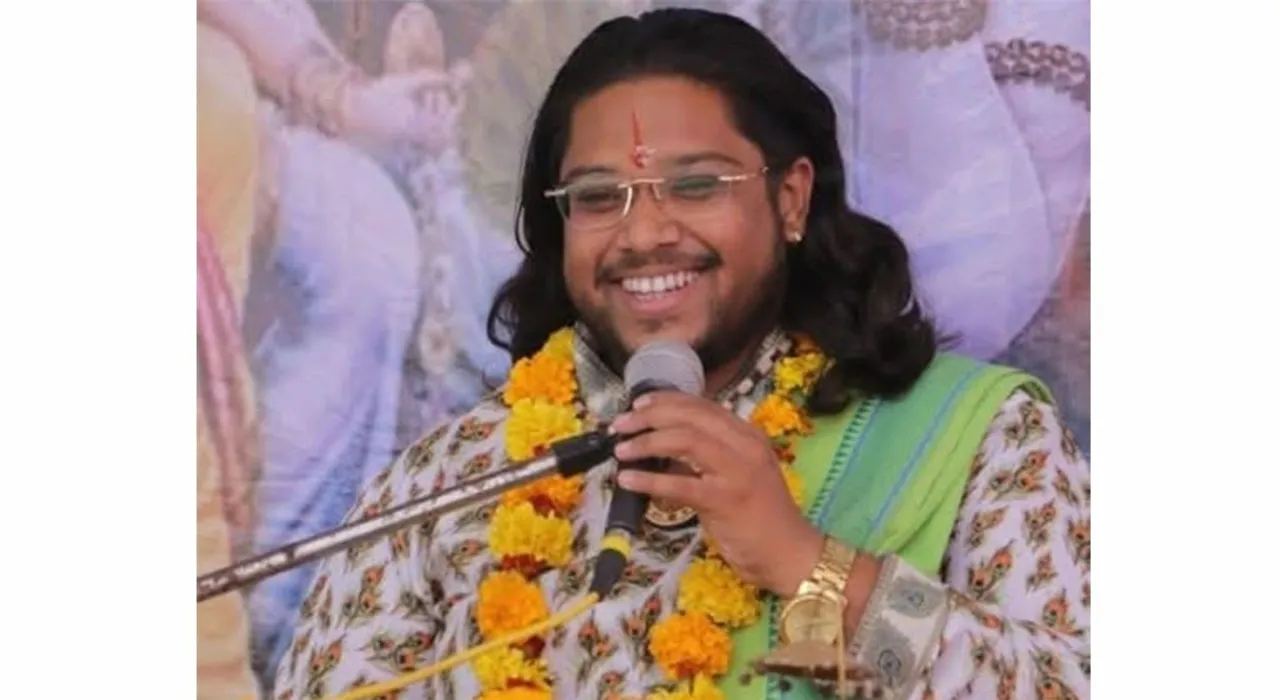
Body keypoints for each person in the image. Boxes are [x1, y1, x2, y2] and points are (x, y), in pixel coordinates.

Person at [273, 8, 1089, 700]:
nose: (644, 233)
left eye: (696, 186)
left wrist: (803, 560)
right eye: (599, 197)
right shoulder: (449, 483)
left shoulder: (980, 440)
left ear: (791, 198)